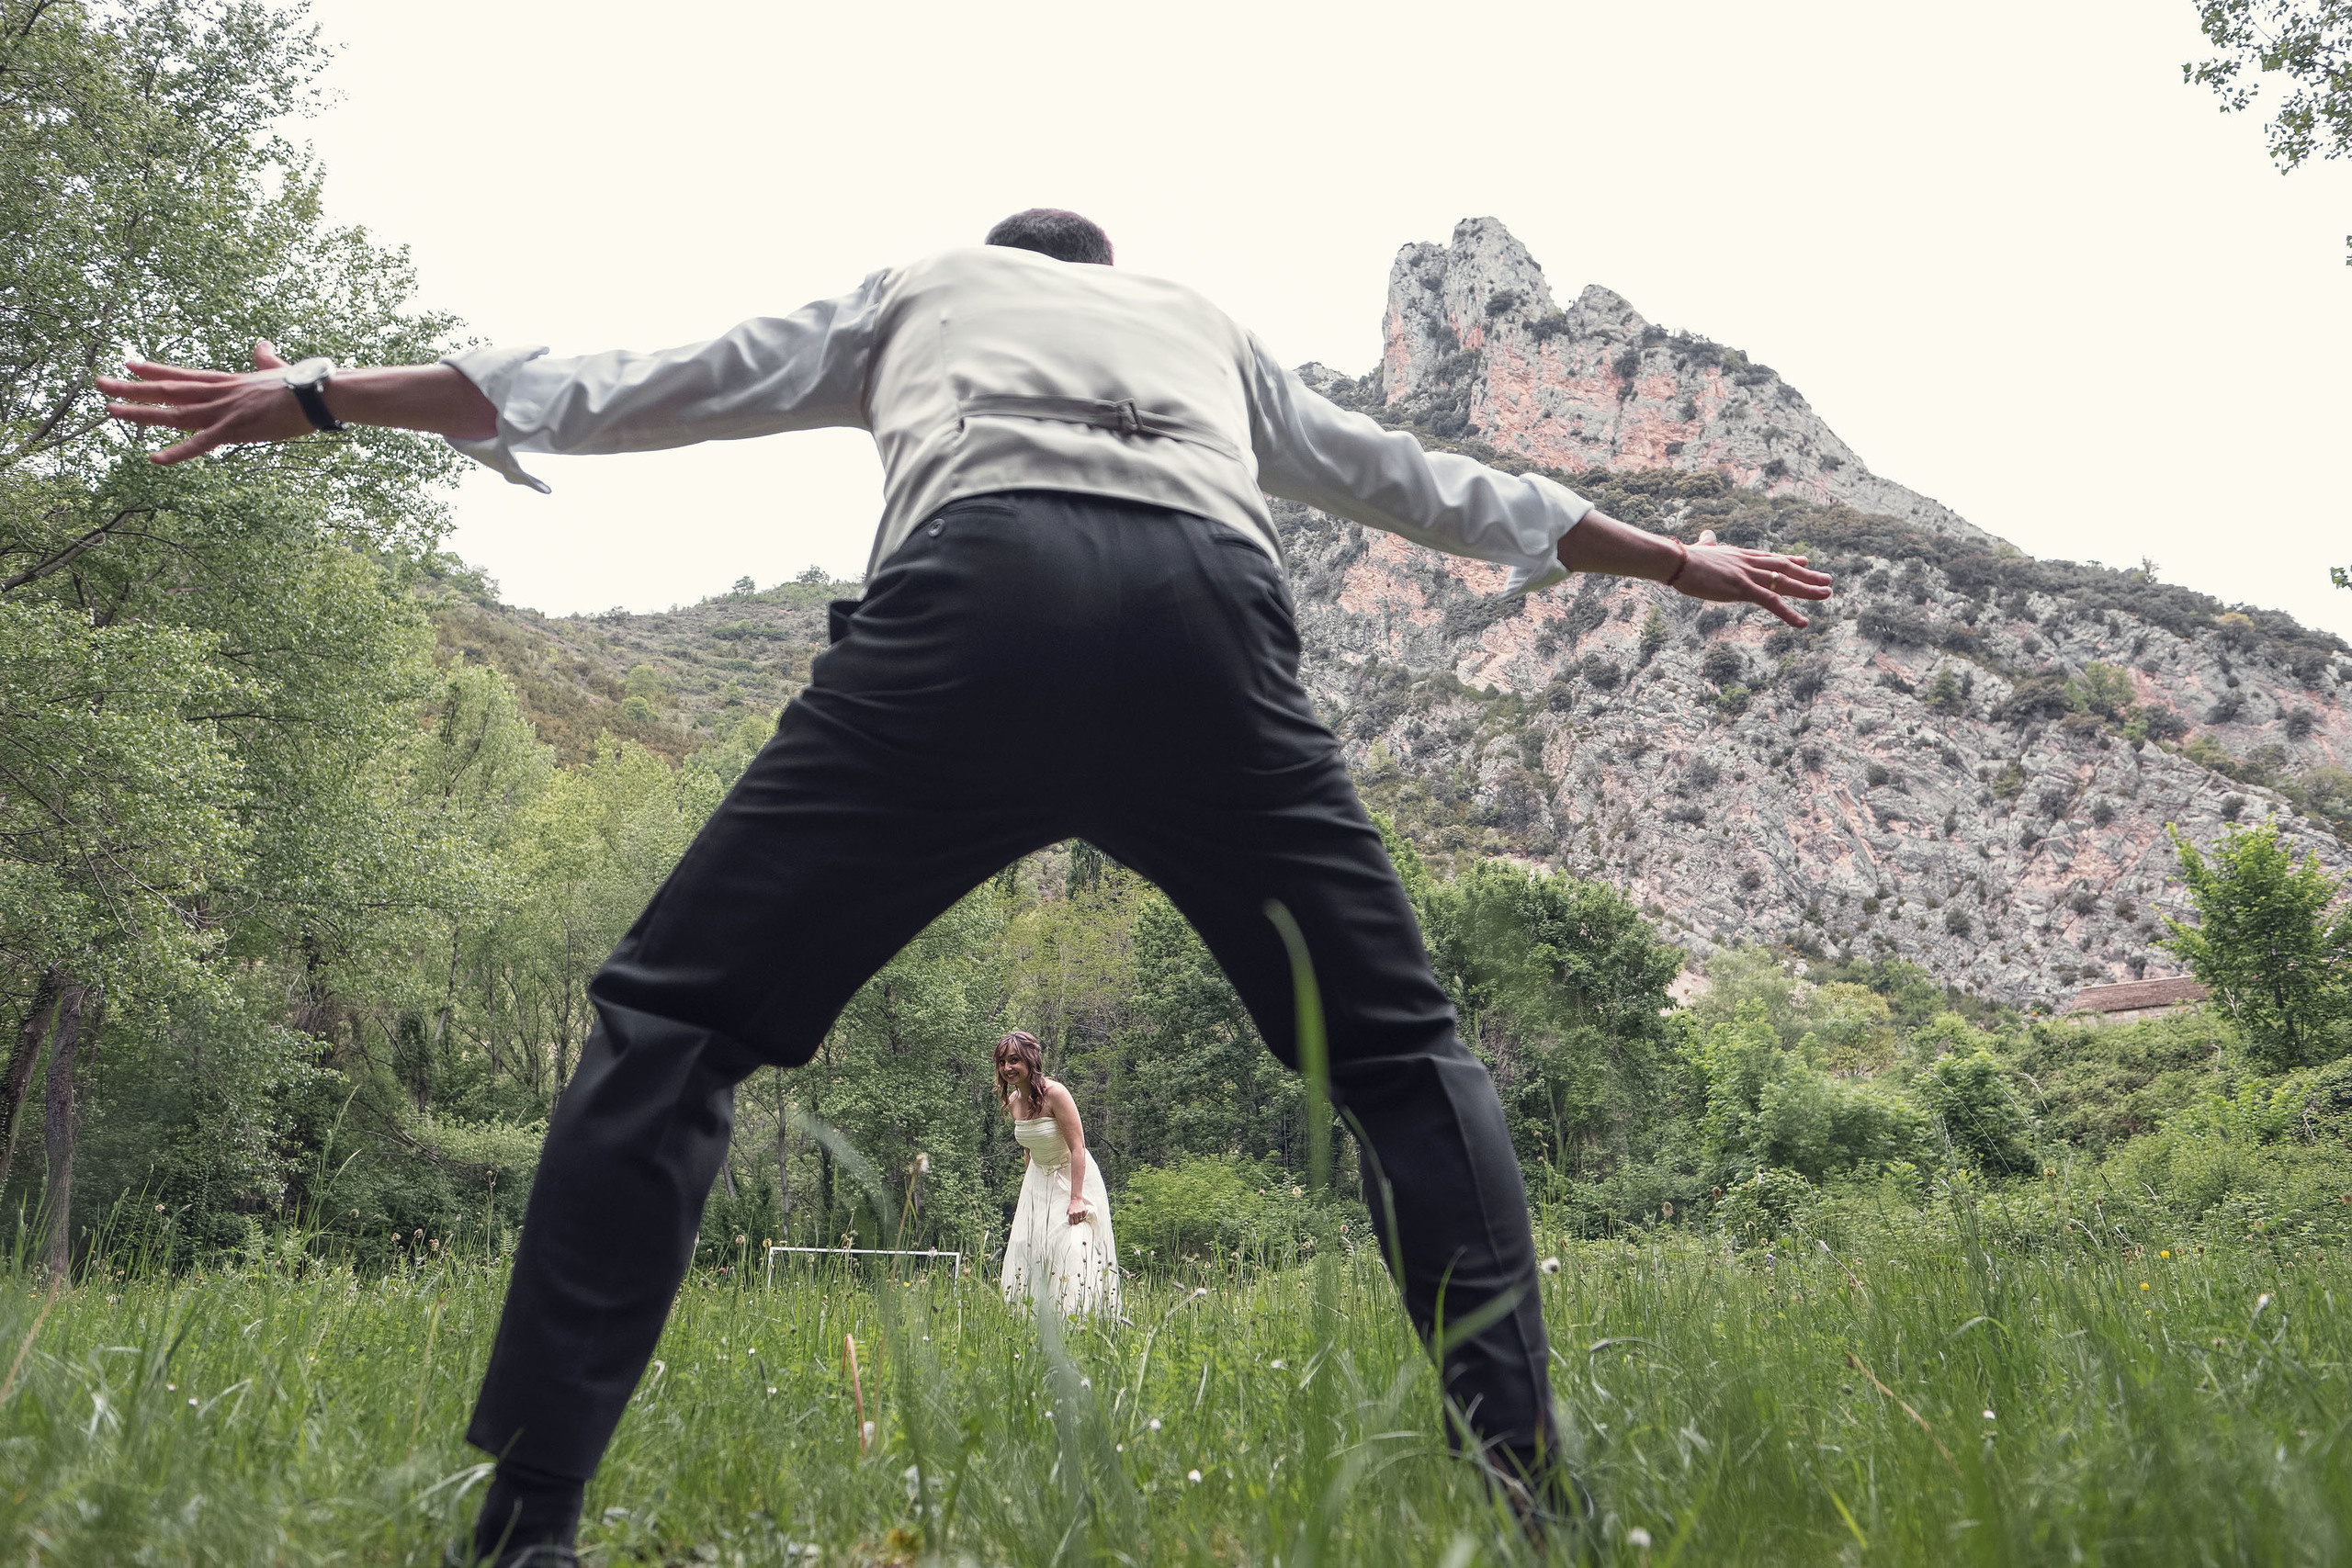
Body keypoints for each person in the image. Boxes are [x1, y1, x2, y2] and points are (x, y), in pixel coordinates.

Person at [101, 208, 1830, 1564]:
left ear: (1007, 262)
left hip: (975, 606)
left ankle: (527, 1518)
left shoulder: (925, 287)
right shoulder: (1207, 328)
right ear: (1107, 271)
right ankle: (1533, 1501)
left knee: (675, 1025)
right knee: (1401, 1057)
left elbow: (628, 382)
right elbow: (1433, 484)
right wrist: (1671, 552)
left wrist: (317, 393)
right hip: (1207, 624)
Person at [992, 1030, 1118, 1316]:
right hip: (1038, 1181)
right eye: (1002, 1062)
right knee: (1028, 1247)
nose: (1008, 1068)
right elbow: (1030, 1148)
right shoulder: (1014, 1102)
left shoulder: (1056, 1094)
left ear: (1030, 1060)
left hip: (1071, 1178)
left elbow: (1078, 1147)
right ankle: (1032, 1321)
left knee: (1072, 1247)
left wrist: (1077, 1199)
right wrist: (1029, 1195)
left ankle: (1077, 1320)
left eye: (1014, 1060)